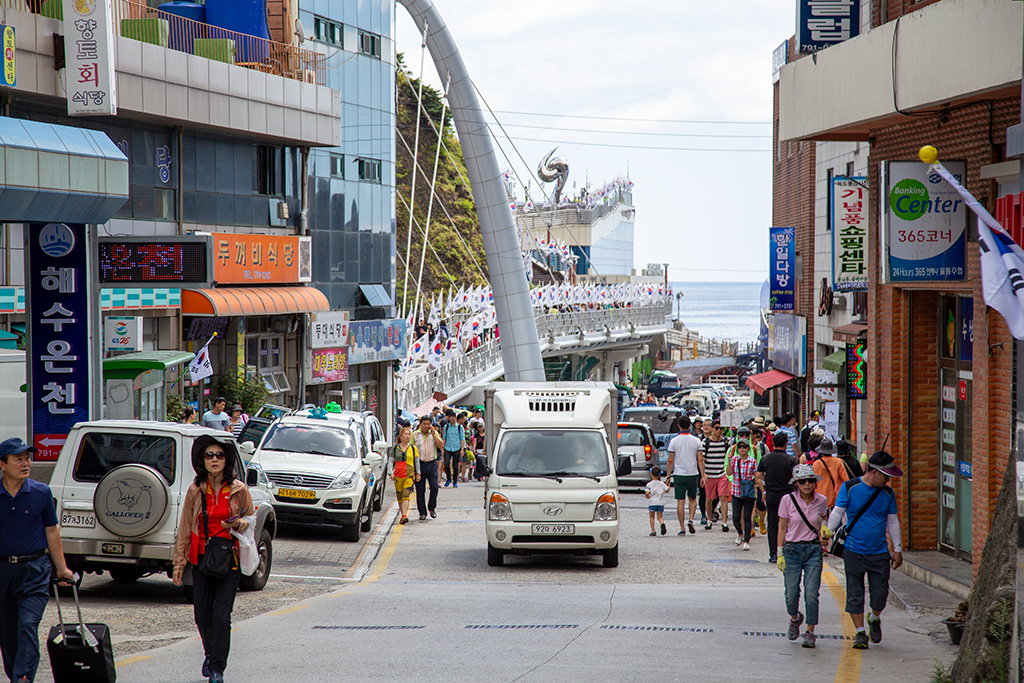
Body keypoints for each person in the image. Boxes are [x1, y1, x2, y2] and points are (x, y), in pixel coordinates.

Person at [172, 435, 254, 683]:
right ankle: (210, 654)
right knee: (202, 616)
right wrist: (179, 563)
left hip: (230, 559)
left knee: (221, 615)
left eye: (219, 455)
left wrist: (240, 522)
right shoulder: (196, 490)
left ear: (226, 459)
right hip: (202, 559)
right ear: (202, 460)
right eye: (209, 455)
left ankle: (217, 667)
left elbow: (251, 516)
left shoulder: (239, 489)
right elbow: (186, 526)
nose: (215, 459)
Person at [0, 438, 75, 683]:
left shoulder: (41, 492)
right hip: (2, 573)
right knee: (9, 634)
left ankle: (23, 679)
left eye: (27, 458)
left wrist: (62, 568)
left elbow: (51, 531)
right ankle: (16, 675)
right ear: (2, 464)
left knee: (28, 626)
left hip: (34, 571)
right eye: (18, 459)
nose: (26, 463)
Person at [822, 451, 904, 650]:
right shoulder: (850, 487)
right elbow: (838, 512)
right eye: (886, 476)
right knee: (855, 594)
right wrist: (827, 531)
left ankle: (874, 617)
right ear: (874, 472)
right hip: (853, 551)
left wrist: (897, 549)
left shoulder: (887, 493)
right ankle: (860, 633)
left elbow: (892, 520)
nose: (888, 480)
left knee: (880, 595)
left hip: (879, 553)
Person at [777, 463, 829, 649]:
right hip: (792, 550)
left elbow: (824, 521)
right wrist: (779, 552)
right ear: (796, 484)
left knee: (811, 593)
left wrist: (824, 533)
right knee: (791, 593)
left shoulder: (822, 500)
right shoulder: (787, 500)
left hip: (813, 551)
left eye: (810, 480)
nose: (807, 484)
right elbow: (782, 527)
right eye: (803, 481)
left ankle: (810, 632)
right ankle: (795, 617)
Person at [755, 431, 798, 564]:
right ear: (786, 444)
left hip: (771, 495)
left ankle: (773, 554)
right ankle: (787, 550)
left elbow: (759, 474)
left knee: (772, 524)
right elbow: (795, 477)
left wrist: (767, 479)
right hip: (787, 496)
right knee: (789, 524)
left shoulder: (766, 459)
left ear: (773, 444)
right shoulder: (791, 460)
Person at [665, 415, 704, 535]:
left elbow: (670, 460)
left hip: (679, 474)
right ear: (690, 425)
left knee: (680, 501)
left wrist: (668, 476)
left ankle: (682, 528)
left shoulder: (674, 441)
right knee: (692, 498)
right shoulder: (696, 440)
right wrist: (703, 475)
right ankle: (691, 519)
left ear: (678, 426)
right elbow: (700, 459)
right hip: (692, 473)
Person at [727, 438, 758, 550]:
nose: (742, 449)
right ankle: (740, 533)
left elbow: (757, 475)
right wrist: (729, 461)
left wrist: (757, 485)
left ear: (747, 448)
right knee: (735, 518)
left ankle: (746, 540)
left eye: (744, 447)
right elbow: (729, 473)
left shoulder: (753, 461)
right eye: (740, 447)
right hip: (736, 491)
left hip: (748, 492)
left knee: (747, 517)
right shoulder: (734, 460)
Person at [701, 420, 730, 533]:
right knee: (709, 498)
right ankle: (709, 519)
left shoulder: (726, 442)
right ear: (712, 429)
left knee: (723, 497)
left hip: (722, 473)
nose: (719, 430)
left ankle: (724, 522)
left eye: (721, 428)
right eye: (716, 428)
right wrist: (703, 474)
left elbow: (729, 457)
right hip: (710, 474)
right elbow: (702, 459)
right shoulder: (705, 442)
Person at [413, 416, 443, 520]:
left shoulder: (434, 434)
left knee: (434, 487)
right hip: (419, 465)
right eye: (424, 423)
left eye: (428, 424)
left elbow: (441, 445)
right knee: (420, 490)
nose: (426, 426)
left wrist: (434, 435)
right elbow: (411, 449)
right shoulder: (415, 435)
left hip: (432, 464)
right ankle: (422, 512)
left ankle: (432, 508)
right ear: (420, 424)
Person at [389, 426, 420, 525]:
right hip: (398, 476)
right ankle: (403, 515)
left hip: (409, 475)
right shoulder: (395, 448)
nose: (407, 436)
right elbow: (391, 461)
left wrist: (418, 473)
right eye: (406, 434)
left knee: (406, 495)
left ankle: (404, 515)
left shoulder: (413, 448)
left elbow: (417, 462)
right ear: (401, 436)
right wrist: (391, 472)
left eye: (408, 434)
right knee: (400, 497)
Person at [812, 437, 849, 508]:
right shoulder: (838, 461)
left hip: (820, 494)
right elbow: (845, 479)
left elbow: (814, 481)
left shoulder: (816, 464)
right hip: (836, 495)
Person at [440, 410, 465, 488]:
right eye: (450, 417)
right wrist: (443, 449)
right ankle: (448, 478)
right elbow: (444, 438)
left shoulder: (459, 427)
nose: (452, 418)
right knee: (446, 463)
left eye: (453, 417)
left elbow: (462, 438)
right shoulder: (446, 427)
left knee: (455, 465)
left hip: (457, 447)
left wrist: (462, 449)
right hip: (447, 447)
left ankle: (454, 481)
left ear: (455, 418)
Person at [645, 467, 670, 536]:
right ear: (659, 475)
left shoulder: (649, 484)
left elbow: (647, 492)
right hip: (660, 503)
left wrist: (647, 495)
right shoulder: (661, 484)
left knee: (651, 517)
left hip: (652, 503)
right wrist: (668, 484)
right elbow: (667, 490)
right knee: (660, 517)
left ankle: (653, 530)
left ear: (651, 474)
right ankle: (662, 523)